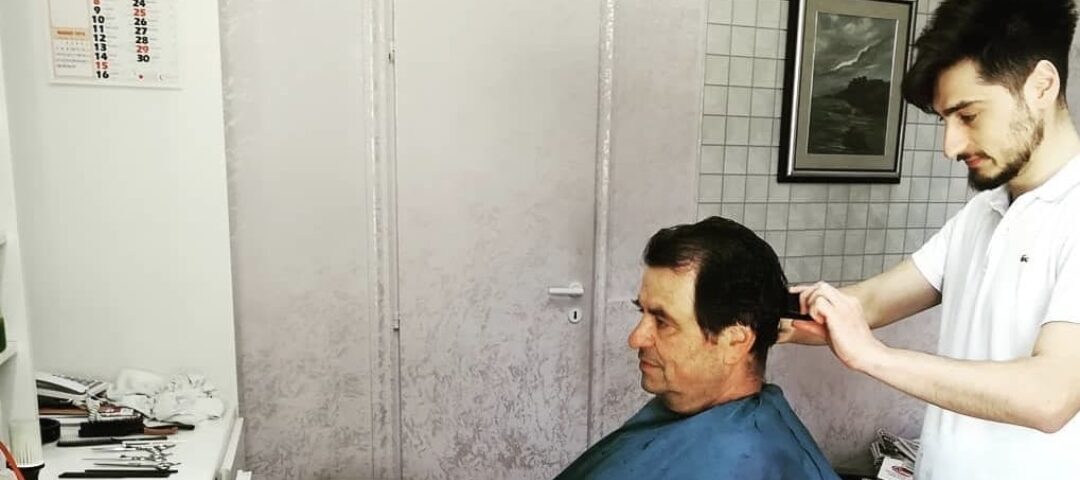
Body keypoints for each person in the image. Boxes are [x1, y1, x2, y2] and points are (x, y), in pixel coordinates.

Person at [781, 0, 1080, 477]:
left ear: (1042, 85)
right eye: (945, 120)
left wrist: (874, 357)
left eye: (968, 116)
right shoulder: (984, 212)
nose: (950, 146)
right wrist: (760, 312)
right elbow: (870, 301)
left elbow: (1051, 396)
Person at [555, 216, 838, 479]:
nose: (636, 338)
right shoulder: (686, 413)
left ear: (735, 341)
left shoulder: (743, 460)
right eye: (642, 312)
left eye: (662, 322)